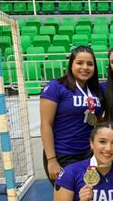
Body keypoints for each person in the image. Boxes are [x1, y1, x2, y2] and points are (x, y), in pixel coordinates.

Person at [40, 46, 104, 184]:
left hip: (89, 155)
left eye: (90, 64)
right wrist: (52, 160)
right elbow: (46, 124)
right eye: (79, 63)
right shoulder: (56, 86)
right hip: (62, 154)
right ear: (71, 65)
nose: (85, 67)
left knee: (89, 200)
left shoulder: (97, 90)